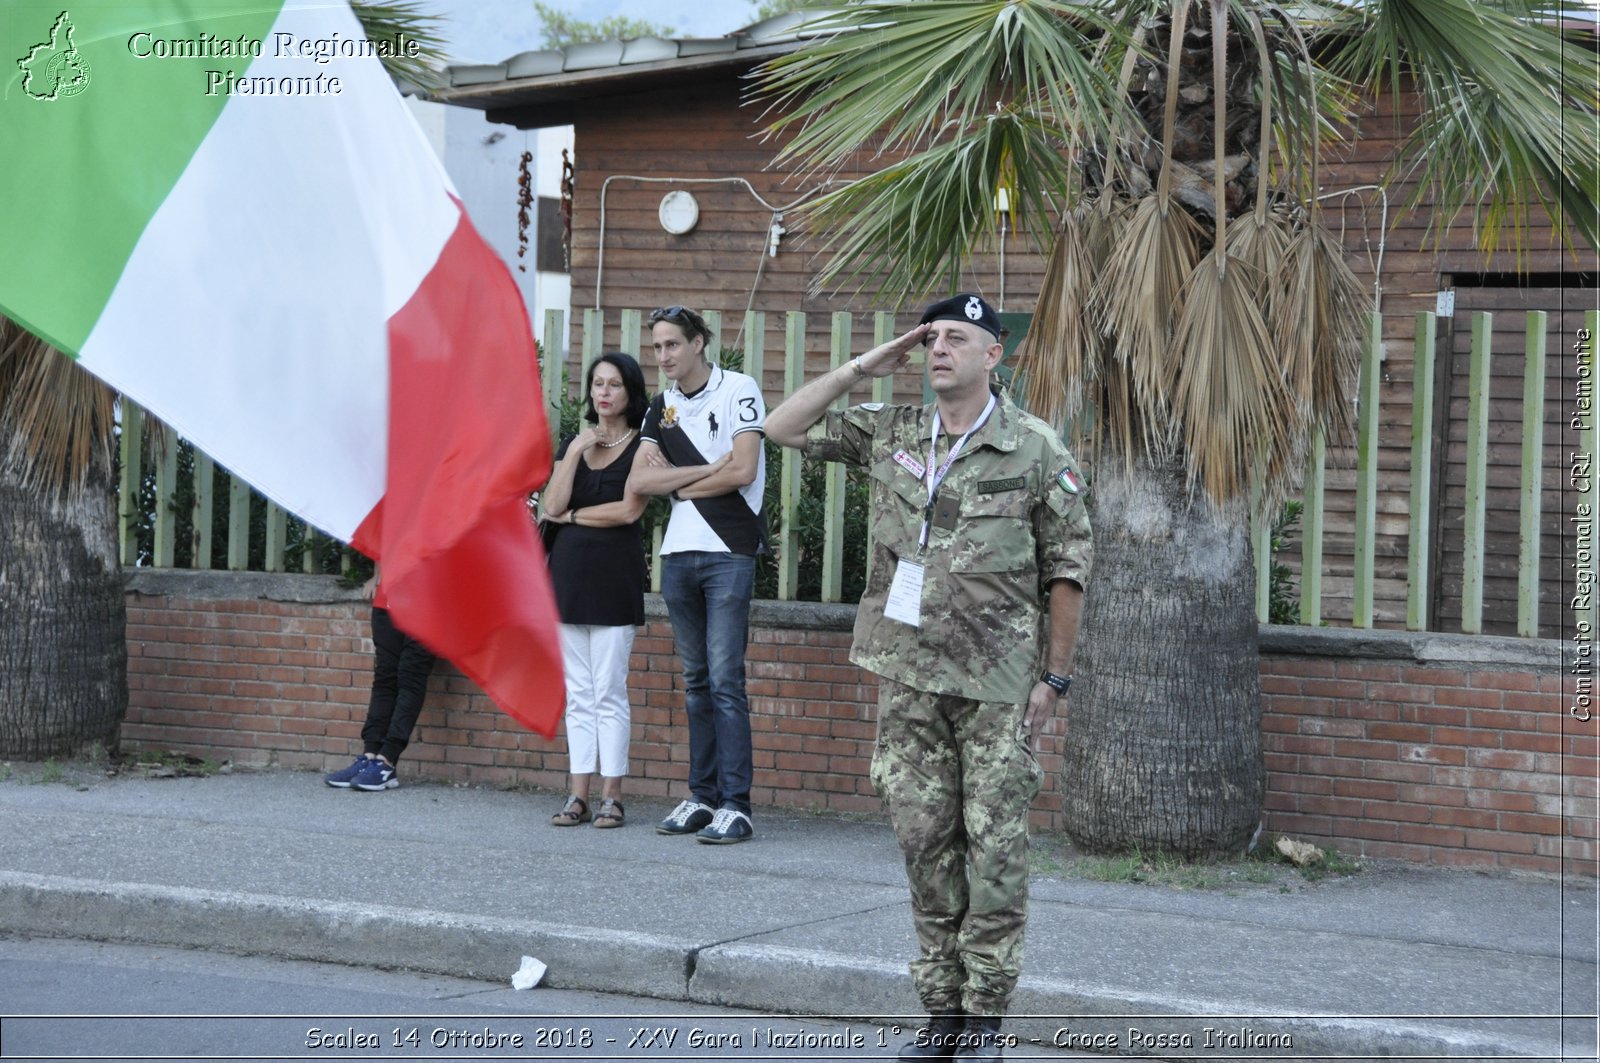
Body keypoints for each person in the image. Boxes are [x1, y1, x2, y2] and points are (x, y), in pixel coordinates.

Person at [764, 294, 1093, 1061]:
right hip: (907, 676)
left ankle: (985, 1020)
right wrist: (863, 365)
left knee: (995, 850)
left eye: (958, 338)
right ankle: (941, 1012)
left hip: (997, 686)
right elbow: (780, 428)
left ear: (993, 356)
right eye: (932, 338)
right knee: (923, 843)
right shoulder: (892, 430)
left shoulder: (1036, 449)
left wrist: (1058, 678)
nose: (939, 348)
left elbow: (1068, 573)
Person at [626, 305, 767, 845]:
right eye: (657, 347)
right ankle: (702, 796)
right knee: (696, 683)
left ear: (699, 343)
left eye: (672, 345)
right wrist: (710, 470)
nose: (663, 356)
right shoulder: (660, 407)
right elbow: (640, 480)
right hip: (678, 554)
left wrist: (679, 482)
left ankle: (737, 803)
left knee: (727, 682)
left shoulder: (740, 388)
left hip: (728, 549)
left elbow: (745, 468)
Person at [540, 352, 649, 829]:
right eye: (597, 384)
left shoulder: (643, 445)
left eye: (614, 385)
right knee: (578, 693)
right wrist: (575, 452)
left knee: (609, 691)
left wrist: (573, 518)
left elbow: (627, 512)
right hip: (566, 579)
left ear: (630, 393)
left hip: (613, 581)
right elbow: (550, 505)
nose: (603, 393)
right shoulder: (575, 442)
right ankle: (578, 794)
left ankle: (613, 795)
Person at [324, 567, 438, 793]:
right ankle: (370, 755)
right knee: (385, 678)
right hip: (388, 601)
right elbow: (380, 538)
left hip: (430, 602)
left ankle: (387, 761)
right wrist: (378, 572)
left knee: (410, 678)